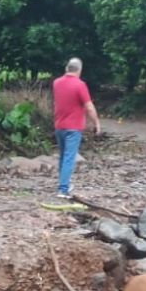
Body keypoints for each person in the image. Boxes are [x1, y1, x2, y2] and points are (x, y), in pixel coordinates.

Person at [52, 57, 101, 198]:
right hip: (73, 127)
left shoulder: (56, 83)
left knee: (63, 156)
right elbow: (89, 106)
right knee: (69, 157)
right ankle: (63, 189)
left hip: (59, 125)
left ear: (67, 68)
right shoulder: (80, 85)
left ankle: (63, 183)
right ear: (79, 70)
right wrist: (97, 123)